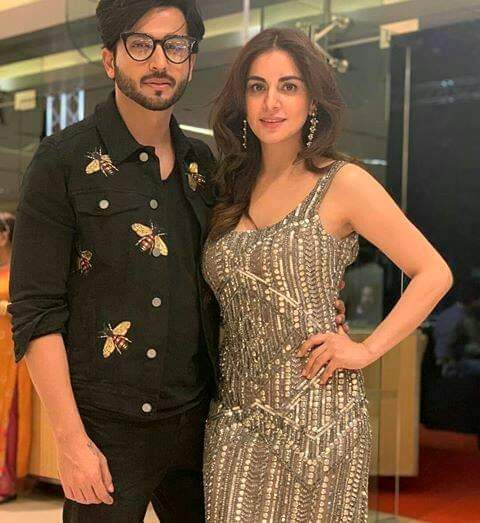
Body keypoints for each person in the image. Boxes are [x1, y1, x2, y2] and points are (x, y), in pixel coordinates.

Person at [8, 1, 347, 521]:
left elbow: (234, 275)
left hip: (201, 422)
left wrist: (315, 306)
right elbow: (36, 311)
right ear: (109, 59)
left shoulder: (204, 167)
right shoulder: (62, 162)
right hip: (105, 429)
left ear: (191, 59)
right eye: (140, 44)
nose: (159, 61)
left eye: (175, 46)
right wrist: (70, 440)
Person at [202, 28, 453, 522]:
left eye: (289, 86)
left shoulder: (342, 183)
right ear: (242, 101)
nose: (271, 102)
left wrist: (366, 350)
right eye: (257, 87)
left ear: (312, 99)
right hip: (233, 419)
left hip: (319, 420)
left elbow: (433, 272)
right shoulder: (229, 187)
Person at [0, 212, 32, 504]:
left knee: (8, 413)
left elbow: (27, 305)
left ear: (4, 236)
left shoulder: (20, 269)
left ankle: (5, 480)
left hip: (11, 352)